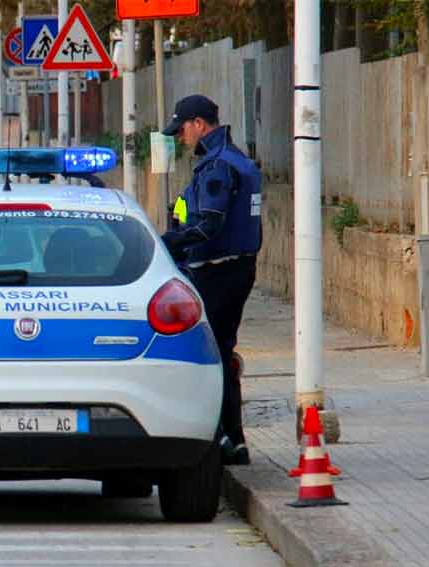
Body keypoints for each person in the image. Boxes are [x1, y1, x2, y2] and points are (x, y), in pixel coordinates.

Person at [160, 95, 262, 465]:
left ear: (199, 124)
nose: (182, 138)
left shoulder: (217, 167)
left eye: (183, 130)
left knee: (209, 356)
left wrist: (165, 243)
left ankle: (224, 438)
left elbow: (208, 224)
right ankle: (232, 439)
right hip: (238, 267)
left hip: (218, 272)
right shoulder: (239, 160)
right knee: (221, 351)